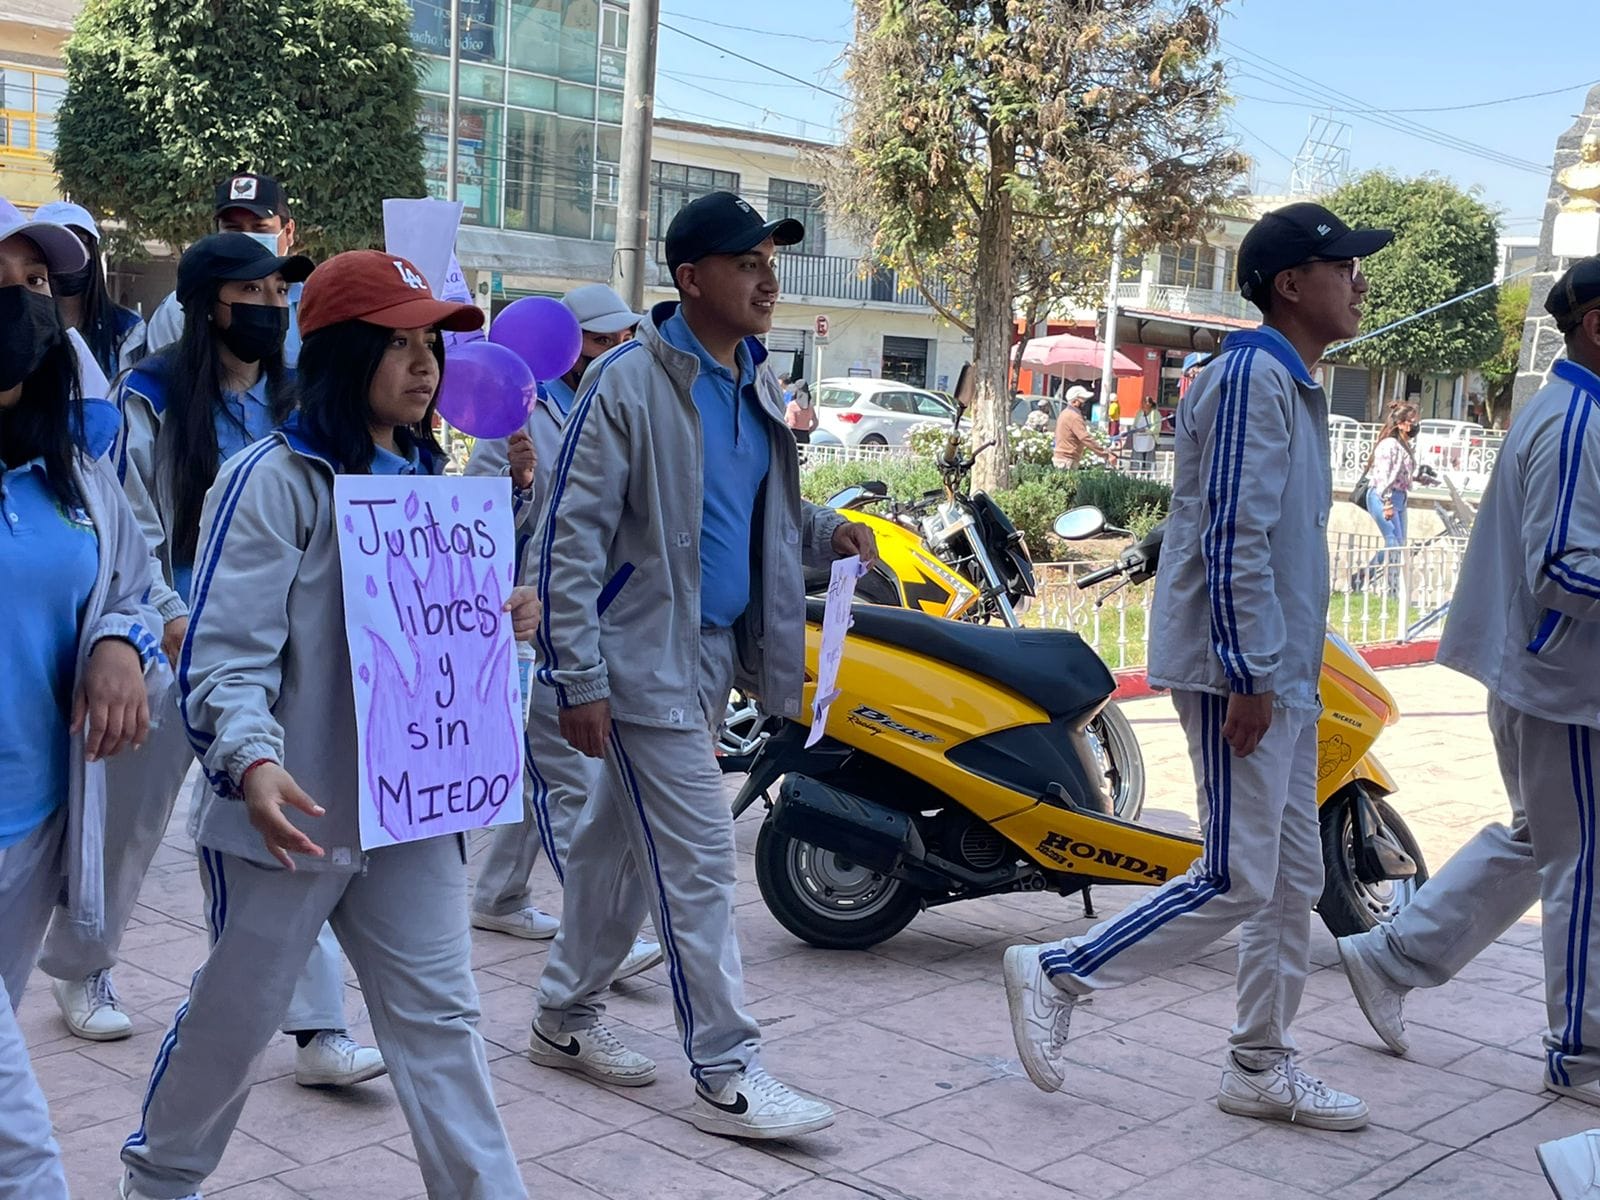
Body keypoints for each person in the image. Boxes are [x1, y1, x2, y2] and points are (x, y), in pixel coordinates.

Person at [120, 250, 531, 1200]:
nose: (424, 365)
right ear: (343, 353)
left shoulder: (435, 480)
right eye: (397, 344)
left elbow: (432, 639)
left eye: (431, 343)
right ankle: (160, 1182)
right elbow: (223, 652)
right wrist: (252, 764)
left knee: (443, 1025)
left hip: (413, 812)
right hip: (289, 818)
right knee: (238, 1018)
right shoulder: (273, 477)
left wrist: (496, 613)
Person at [1004, 201, 1395, 1130]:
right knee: (1235, 875)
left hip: (1277, 671)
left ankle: (1258, 1065)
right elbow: (1233, 535)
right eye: (1343, 265)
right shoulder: (1257, 376)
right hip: (1242, 673)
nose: (1359, 282)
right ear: (1293, 283)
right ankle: (1061, 969)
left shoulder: (1287, 381)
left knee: (1290, 879)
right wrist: (1250, 675)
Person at [531, 191, 875, 1139]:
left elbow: (747, 515)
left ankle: (563, 1018)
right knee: (695, 866)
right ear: (690, 279)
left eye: (772, 259)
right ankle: (728, 1068)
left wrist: (828, 533)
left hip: (714, 654)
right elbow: (569, 539)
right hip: (642, 661)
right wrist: (580, 678)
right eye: (746, 262)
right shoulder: (629, 384)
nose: (769, 279)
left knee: (612, 855)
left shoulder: (753, 380)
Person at [35, 232, 387, 1083]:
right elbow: (132, 527)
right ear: (206, 306)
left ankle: (315, 1028)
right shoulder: (146, 397)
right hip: (168, 645)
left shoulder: (296, 402)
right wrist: (169, 618)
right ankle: (83, 965)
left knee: (289, 820)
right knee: (128, 820)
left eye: (280, 293)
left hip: (271, 654)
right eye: (253, 293)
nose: (272, 308)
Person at [1337, 256, 1600, 1110]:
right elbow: (1564, 565)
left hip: (1551, 678)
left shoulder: (1573, 409)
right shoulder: (1575, 423)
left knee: (1548, 844)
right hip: (1565, 684)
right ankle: (1584, 1053)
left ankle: (1394, 957)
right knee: (1584, 866)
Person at [0, 198, 165, 1200]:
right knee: (24, 1151)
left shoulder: (72, 468)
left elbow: (136, 585)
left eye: (34, 286)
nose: (21, 305)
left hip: (33, 826)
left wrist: (118, 640)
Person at [466, 282, 662, 983]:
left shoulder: (615, 406)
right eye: (600, 339)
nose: (613, 350)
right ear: (565, 344)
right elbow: (482, 526)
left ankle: (497, 893)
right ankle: (597, 934)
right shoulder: (512, 415)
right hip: (527, 620)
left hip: (592, 613)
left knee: (538, 770)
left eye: (620, 338)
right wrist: (518, 480)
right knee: (570, 780)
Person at [136, 172, 306, 367]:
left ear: (289, 231)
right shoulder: (179, 311)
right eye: (233, 229)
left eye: (260, 228)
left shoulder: (312, 305)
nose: (246, 239)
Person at [31, 202, 146, 377]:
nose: (70, 254)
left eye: (81, 242)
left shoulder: (128, 329)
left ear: (93, 251)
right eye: (58, 245)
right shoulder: (20, 323)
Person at [1354, 402, 1418, 595]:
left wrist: (1421, 477)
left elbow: (1400, 474)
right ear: (1401, 423)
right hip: (1383, 497)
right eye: (1412, 422)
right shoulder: (1388, 445)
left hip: (1400, 498)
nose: (1415, 426)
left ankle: (1389, 587)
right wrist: (1387, 502)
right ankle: (1370, 579)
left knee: (1399, 543)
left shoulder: (1404, 445)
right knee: (1393, 543)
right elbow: (1383, 477)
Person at [1053, 385, 1115, 469]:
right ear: (1075, 401)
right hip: (1067, 460)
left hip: (1062, 458)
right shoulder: (1074, 416)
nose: (1085, 403)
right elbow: (1085, 437)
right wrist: (1105, 454)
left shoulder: (1065, 413)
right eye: (1083, 400)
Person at [1128, 395, 1160, 469]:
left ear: (1151, 404)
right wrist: (1134, 429)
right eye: (1144, 402)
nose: (1145, 404)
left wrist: (1146, 431)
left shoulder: (1155, 413)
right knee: (1137, 458)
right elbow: (1134, 424)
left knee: (1148, 458)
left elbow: (1157, 428)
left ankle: (1148, 472)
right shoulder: (1139, 413)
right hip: (1138, 439)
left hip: (1149, 439)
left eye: (1147, 402)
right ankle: (1136, 471)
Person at [785, 376, 818, 444]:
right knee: (802, 454)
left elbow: (792, 423)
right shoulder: (810, 406)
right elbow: (815, 423)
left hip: (793, 435)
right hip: (805, 436)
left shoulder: (792, 405)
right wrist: (808, 431)